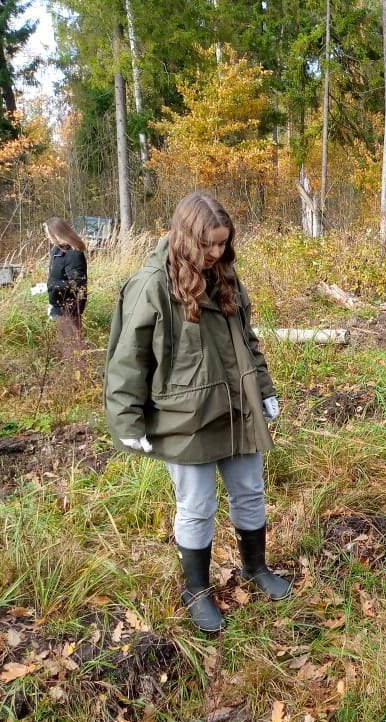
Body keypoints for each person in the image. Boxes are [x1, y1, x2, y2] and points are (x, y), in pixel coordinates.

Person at [103, 193, 289, 633]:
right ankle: (197, 591)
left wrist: (263, 390)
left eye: (223, 244)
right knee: (197, 505)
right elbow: (128, 359)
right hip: (184, 418)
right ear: (186, 237)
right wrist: (127, 421)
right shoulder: (151, 285)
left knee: (249, 490)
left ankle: (255, 568)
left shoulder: (226, 277)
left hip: (236, 409)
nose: (216, 254)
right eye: (208, 245)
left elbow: (248, 340)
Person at [44, 218, 88, 358]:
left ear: (57, 233)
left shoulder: (74, 254)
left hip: (70, 308)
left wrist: (52, 285)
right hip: (58, 306)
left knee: (74, 349)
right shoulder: (57, 251)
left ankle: (81, 378)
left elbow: (78, 284)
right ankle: (74, 377)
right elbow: (57, 276)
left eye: (48, 233)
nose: (47, 237)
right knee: (65, 348)